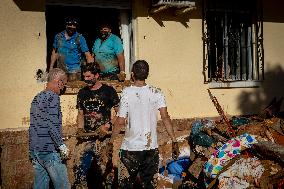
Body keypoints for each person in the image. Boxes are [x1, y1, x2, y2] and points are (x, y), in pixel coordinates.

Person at [111, 60, 180, 188]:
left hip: (130, 149)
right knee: (149, 185)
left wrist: (110, 141)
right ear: (147, 74)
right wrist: (174, 140)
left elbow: (120, 121)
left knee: (125, 185)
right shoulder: (157, 92)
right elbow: (165, 117)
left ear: (132, 75)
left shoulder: (126, 92)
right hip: (150, 149)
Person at [74, 62, 120, 188]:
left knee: (106, 173)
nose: (86, 79)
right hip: (87, 137)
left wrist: (107, 125)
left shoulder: (108, 91)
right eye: (85, 76)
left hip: (103, 139)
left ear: (97, 75)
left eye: (89, 77)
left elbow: (121, 114)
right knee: (78, 168)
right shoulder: (82, 93)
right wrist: (79, 128)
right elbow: (80, 114)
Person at [29, 68, 71, 189]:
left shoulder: (37, 98)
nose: (63, 88)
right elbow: (51, 124)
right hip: (49, 150)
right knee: (63, 186)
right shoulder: (53, 97)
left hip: (35, 150)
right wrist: (61, 145)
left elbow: (35, 125)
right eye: (64, 84)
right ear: (59, 82)